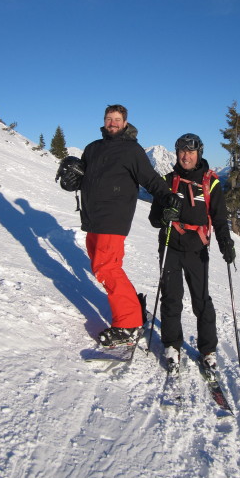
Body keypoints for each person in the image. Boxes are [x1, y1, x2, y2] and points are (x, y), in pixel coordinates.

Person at [72, 104, 175, 348]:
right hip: (92, 218)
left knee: (106, 268)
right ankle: (134, 310)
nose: (113, 123)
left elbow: (150, 179)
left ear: (125, 123)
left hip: (113, 217)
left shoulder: (131, 150)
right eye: (109, 119)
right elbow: (81, 177)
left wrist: (168, 197)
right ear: (104, 121)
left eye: (117, 119)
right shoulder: (92, 148)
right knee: (105, 267)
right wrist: (71, 179)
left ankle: (129, 323)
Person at [148, 133, 235, 373]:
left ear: (199, 154)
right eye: (182, 152)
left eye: (190, 152)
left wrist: (226, 243)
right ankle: (171, 345)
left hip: (197, 249)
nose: (185, 156)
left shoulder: (211, 183)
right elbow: (154, 218)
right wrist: (163, 216)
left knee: (201, 300)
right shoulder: (166, 182)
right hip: (170, 245)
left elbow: (219, 218)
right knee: (171, 298)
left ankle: (208, 350)